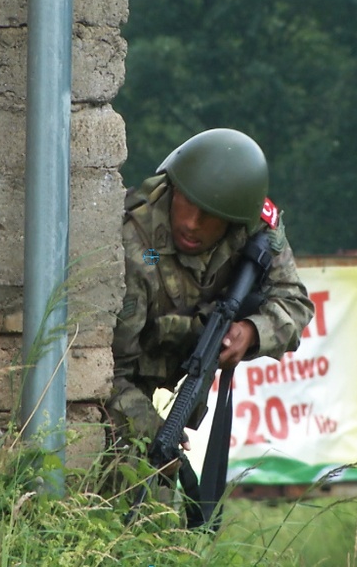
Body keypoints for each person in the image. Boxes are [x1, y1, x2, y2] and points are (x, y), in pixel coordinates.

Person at [108, 128, 316, 472]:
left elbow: (295, 303)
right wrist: (151, 433)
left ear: (234, 219)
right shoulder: (135, 246)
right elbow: (107, 373)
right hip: (125, 386)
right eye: (187, 203)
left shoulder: (255, 229)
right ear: (173, 188)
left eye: (209, 214)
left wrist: (251, 332)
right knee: (127, 473)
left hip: (185, 364)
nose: (192, 223)